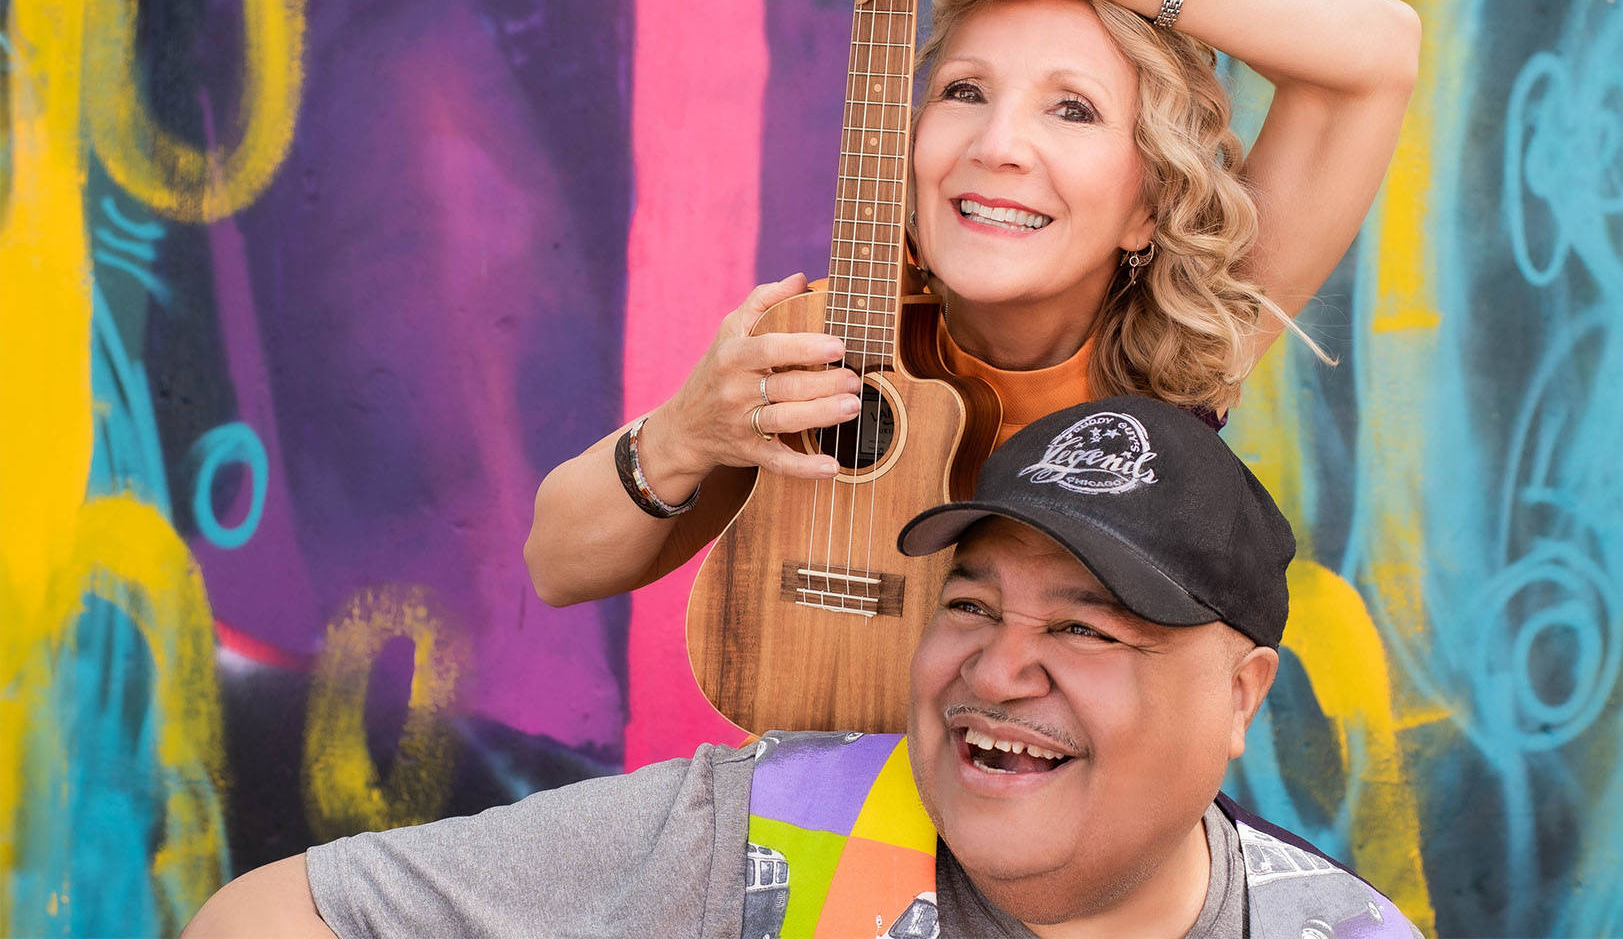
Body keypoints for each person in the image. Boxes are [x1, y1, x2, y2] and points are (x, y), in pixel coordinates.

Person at [184, 397, 1423, 938]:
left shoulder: (1335, 933)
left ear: (1241, 695)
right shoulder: (785, 832)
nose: (999, 670)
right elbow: (266, 919)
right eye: (971, 605)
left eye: (1086, 629)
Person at [523, 0, 1420, 606]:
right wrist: (684, 434)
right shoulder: (830, 347)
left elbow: (1379, 49)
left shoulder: (1180, 358)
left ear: (1149, 204)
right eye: (963, 92)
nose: (996, 147)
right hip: (811, 822)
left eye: (1072, 109)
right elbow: (558, 564)